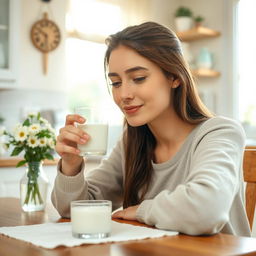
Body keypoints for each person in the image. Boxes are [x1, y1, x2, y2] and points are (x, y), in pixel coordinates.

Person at [52, 21, 251, 236]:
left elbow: (206, 210)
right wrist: (71, 165)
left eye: (138, 78)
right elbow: (72, 210)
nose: (124, 95)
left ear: (174, 76)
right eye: (116, 83)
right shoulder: (133, 141)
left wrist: (142, 211)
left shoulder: (220, 132)